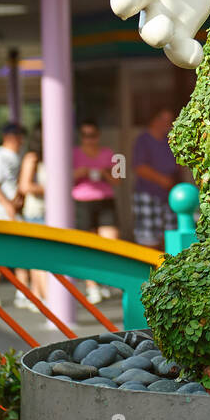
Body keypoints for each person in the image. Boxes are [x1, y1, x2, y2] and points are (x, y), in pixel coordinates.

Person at [72, 119, 120, 304]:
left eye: (92, 136)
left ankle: (105, 280)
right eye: (84, 136)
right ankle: (92, 286)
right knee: (88, 246)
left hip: (105, 200)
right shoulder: (73, 153)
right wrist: (80, 172)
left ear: (98, 136)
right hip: (82, 202)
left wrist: (103, 173)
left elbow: (118, 179)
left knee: (110, 242)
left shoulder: (108, 153)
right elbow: (62, 177)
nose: (88, 140)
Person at [0, 121, 26, 303]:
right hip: (1, 210)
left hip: (14, 208)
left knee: (21, 249)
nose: (21, 140)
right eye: (18, 136)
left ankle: (23, 292)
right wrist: (7, 204)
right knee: (3, 250)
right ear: (10, 137)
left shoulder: (17, 155)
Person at [132, 106, 179, 246]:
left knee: (171, 238)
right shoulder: (143, 140)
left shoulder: (170, 141)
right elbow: (139, 167)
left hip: (170, 196)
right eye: (163, 119)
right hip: (148, 195)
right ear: (154, 120)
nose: (167, 123)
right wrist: (161, 179)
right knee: (149, 240)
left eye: (170, 120)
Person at [16, 131, 48, 312]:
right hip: (36, 213)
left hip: (50, 214)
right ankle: (47, 300)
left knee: (42, 259)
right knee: (41, 261)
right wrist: (49, 189)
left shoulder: (55, 156)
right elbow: (25, 186)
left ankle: (37, 297)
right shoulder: (32, 158)